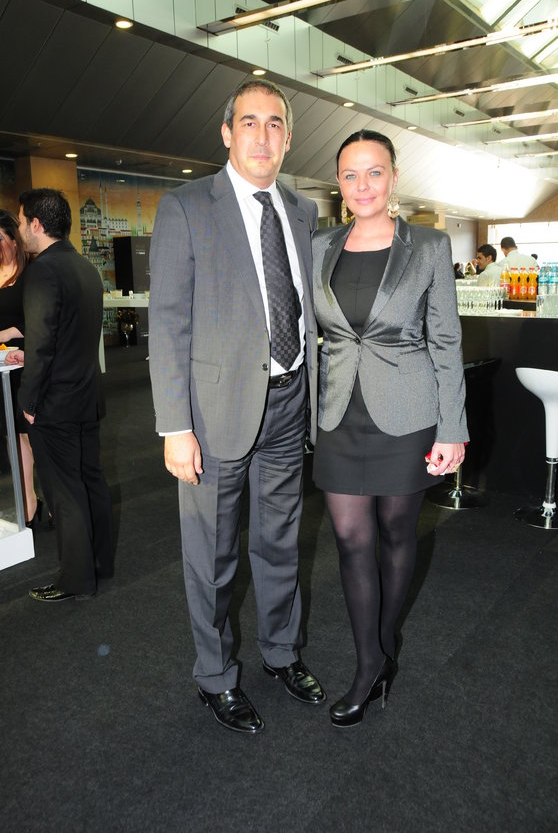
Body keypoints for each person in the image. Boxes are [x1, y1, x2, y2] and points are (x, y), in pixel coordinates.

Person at [148, 79, 325, 734]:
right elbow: (167, 320)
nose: (262, 135)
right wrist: (175, 426)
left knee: (280, 544)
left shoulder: (302, 211)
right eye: (248, 122)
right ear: (227, 133)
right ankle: (216, 675)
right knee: (213, 557)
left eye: (274, 123)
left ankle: (281, 653)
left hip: (288, 401)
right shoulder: (187, 206)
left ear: (288, 137)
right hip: (213, 413)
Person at [312, 130, 468, 728]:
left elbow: (446, 341)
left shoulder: (428, 245)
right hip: (338, 413)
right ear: (338, 182)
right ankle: (370, 662)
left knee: (398, 533)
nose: (362, 185)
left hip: (407, 412)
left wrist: (453, 428)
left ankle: (381, 648)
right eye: (350, 175)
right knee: (350, 539)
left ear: (394, 177)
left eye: (374, 172)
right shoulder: (320, 244)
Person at [15, 188, 113, 602]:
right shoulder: (85, 267)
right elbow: (70, 336)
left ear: (37, 224)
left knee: (65, 491)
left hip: (55, 402)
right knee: (91, 482)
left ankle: (76, 580)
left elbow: (41, 346)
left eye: (22, 222)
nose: (20, 229)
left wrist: (28, 402)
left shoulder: (42, 272)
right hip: (86, 395)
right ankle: (100, 564)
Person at [0, 209, 39, 525]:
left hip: (26, 363)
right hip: (2, 368)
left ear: (14, 239)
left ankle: (46, 500)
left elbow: (40, 321)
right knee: (12, 436)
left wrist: (8, 333)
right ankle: (27, 501)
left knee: (31, 435)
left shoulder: (32, 273)